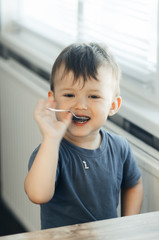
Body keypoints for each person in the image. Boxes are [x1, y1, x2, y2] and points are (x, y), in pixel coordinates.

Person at [24, 42, 143, 229]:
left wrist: (127, 225)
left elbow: (134, 184)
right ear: (53, 99)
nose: (80, 105)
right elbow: (37, 195)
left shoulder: (120, 147)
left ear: (113, 105)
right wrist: (50, 139)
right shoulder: (50, 152)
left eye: (94, 96)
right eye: (70, 95)